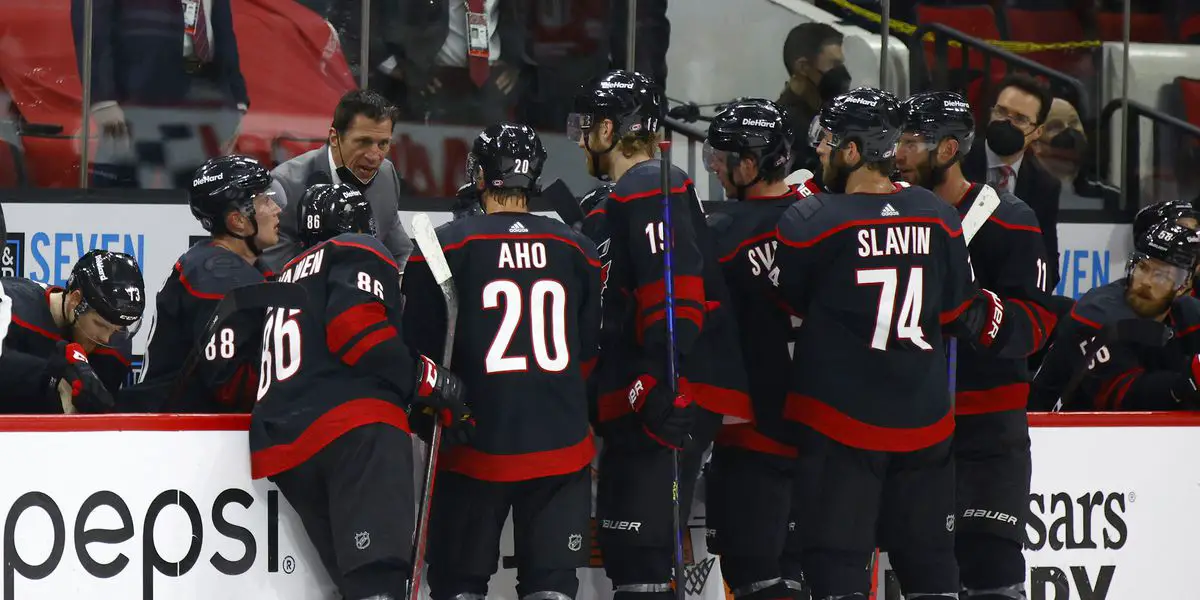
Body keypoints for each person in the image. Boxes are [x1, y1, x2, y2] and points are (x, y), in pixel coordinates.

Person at [773, 87, 977, 600]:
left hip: (841, 422)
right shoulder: (937, 214)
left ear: (852, 150)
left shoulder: (811, 221)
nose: (818, 149)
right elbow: (955, 312)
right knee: (931, 568)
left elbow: (791, 301)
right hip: (926, 421)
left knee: (837, 568)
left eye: (827, 141)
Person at [568, 69, 751, 598]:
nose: (581, 138)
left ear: (609, 130)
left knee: (642, 560)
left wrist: (658, 385)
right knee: (636, 558)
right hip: (653, 392)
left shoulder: (649, 185)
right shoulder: (634, 191)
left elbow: (674, 300)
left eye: (587, 126)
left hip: (666, 396)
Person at [401, 123, 601, 600]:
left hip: (475, 446)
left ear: (481, 175)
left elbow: (421, 359)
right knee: (552, 588)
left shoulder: (444, 245)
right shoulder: (579, 249)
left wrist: (440, 412)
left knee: (458, 585)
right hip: (562, 444)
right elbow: (589, 353)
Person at [249, 183, 472, 600]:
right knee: (379, 580)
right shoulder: (355, 248)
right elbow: (359, 333)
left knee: (360, 586)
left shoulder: (284, 274)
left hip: (287, 448)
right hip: (355, 432)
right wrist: (429, 379)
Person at [895, 91, 1058, 600]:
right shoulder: (887, 218)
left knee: (990, 573)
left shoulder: (1011, 220)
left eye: (909, 143)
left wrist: (969, 308)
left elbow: (1033, 326)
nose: (896, 153)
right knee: (923, 577)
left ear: (948, 149)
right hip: (910, 428)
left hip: (988, 435)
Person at [700, 99, 810, 600]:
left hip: (754, 436)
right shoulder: (822, 219)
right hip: (821, 433)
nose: (716, 169)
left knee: (756, 583)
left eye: (722, 159)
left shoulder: (721, 236)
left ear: (750, 164)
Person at [122, 155, 281, 413]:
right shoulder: (217, 276)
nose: (276, 208)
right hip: (175, 430)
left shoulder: (225, 266)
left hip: (184, 423)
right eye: (265, 201)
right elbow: (229, 385)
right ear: (237, 221)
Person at [1030, 221, 1200, 412]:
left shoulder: (1188, 314)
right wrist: (1184, 383)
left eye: (1161, 275)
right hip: (1049, 431)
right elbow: (1119, 397)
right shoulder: (1097, 315)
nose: (1146, 282)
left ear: (1184, 285)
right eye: (1143, 267)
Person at [264, 89, 414, 273]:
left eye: (382, 144)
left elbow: (400, 252)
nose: (374, 155)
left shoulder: (386, 175)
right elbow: (276, 268)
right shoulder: (285, 185)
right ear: (335, 138)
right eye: (363, 142)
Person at [0, 250, 145, 413]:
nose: (106, 339)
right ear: (76, 300)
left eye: (118, 329)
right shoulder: (12, 313)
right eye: (100, 324)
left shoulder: (115, 350)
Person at [964, 74, 1061, 289]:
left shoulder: (1044, 186)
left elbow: (1048, 267)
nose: (1006, 122)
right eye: (1001, 112)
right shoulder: (957, 163)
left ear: (1038, 131)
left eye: (1020, 118)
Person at [777, 23, 850, 186]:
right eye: (834, 65)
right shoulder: (787, 126)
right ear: (803, 67)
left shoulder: (827, 114)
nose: (841, 73)